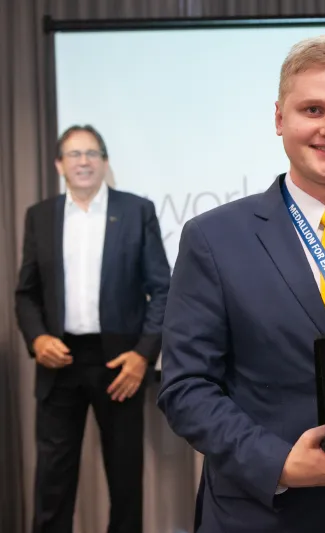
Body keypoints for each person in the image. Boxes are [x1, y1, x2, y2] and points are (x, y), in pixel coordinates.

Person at [157, 36, 325, 533]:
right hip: (268, 510)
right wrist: (281, 464)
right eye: (313, 109)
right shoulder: (213, 238)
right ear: (280, 118)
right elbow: (185, 388)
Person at [15, 125, 171, 533]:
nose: (83, 161)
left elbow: (163, 290)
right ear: (59, 165)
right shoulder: (40, 216)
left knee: (125, 483)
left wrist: (142, 355)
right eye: (74, 154)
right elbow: (25, 293)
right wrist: (37, 338)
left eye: (91, 153)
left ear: (104, 162)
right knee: (53, 482)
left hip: (120, 364)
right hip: (57, 363)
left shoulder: (137, 211)